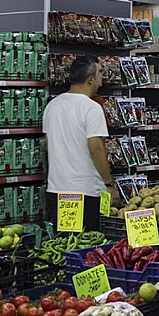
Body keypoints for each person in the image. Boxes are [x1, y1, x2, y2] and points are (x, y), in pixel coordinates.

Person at [42, 56, 114, 232]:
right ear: (90, 79)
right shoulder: (92, 108)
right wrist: (109, 184)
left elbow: (48, 147)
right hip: (86, 193)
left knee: (64, 245)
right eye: (100, 74)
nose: (101, 79)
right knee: (87, 248)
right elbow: (96, 149)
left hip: (57, 192)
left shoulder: (52, 106)